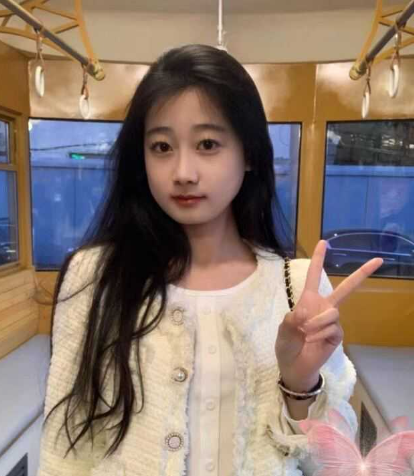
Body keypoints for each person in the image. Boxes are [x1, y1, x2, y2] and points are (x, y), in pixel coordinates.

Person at [37, 43, 383, 476]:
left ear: (250, 153)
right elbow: (64, 449)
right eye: (161, 146)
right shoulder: (94, 277)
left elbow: (333, 463)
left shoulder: (297, 288)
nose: (183, 172)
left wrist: (301, 386)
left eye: (207, 144)